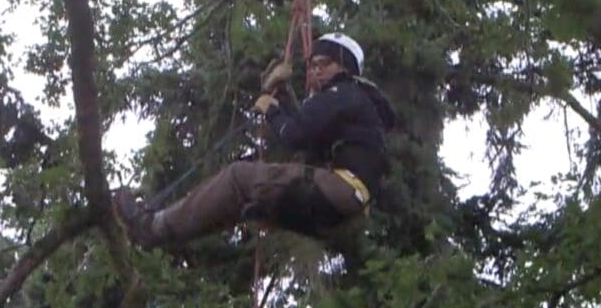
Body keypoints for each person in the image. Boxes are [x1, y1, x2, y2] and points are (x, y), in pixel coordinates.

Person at [113, 32, 395, 249]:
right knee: (240, 200)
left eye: (325, 63)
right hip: (341, 208)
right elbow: (308, 136)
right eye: (312, 65)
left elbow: (295, 135)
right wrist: (280, 98)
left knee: (238, 177)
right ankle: (164, 234)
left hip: (340, 192)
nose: (316, 71)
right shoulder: (353, 106)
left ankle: (151, 227)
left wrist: (271, 109)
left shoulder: (344, 92)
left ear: (345, 68)